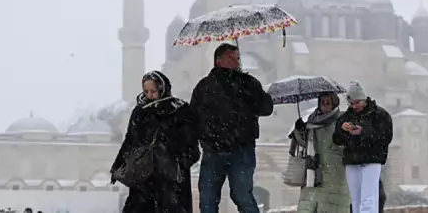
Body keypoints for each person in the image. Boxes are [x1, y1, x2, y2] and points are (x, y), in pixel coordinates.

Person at [190, 43, 274, 213]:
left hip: (241, 149)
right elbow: (193, 117)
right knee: (208, 198)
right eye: (230, 57)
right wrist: (205, 139)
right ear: (218, 61)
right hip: (213, 150)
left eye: (237, 56)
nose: (236, 60)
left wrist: (250, 89)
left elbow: (266, 108)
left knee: (242, 195)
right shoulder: (205, 86)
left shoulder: (248, 83)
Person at [110, 70, 200, 213]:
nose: (150, 95)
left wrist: (177, 163)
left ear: (162, 89)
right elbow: (131, 140)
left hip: (171, 179)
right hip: (144, 175)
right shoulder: (140, 111)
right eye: (146, 91)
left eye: (153, 91)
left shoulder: (180, 110)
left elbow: (192, 146)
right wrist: (119, 165)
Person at [333, 81, 393, 213]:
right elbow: (337, 140)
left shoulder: (380, 115)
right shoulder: (345, 117)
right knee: (355, 199)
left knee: (368, 198)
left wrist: (363, 132)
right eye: (351, 103)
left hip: (372, 160)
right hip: (352, 161)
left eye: (357, 103)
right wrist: (343, 130)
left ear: (364, 99)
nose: (354, 106)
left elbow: (385, 137)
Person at [290, 93, 350, 213]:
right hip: (313, 173)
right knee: (307, 207)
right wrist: (299, 130)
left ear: (334, 103)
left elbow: (347, 144)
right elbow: (304, 143)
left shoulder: (343, 120)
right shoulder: (312, 120)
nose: (324, 105)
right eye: (322, 102)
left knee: (332, 207)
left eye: (328, 102)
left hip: (335, 174)